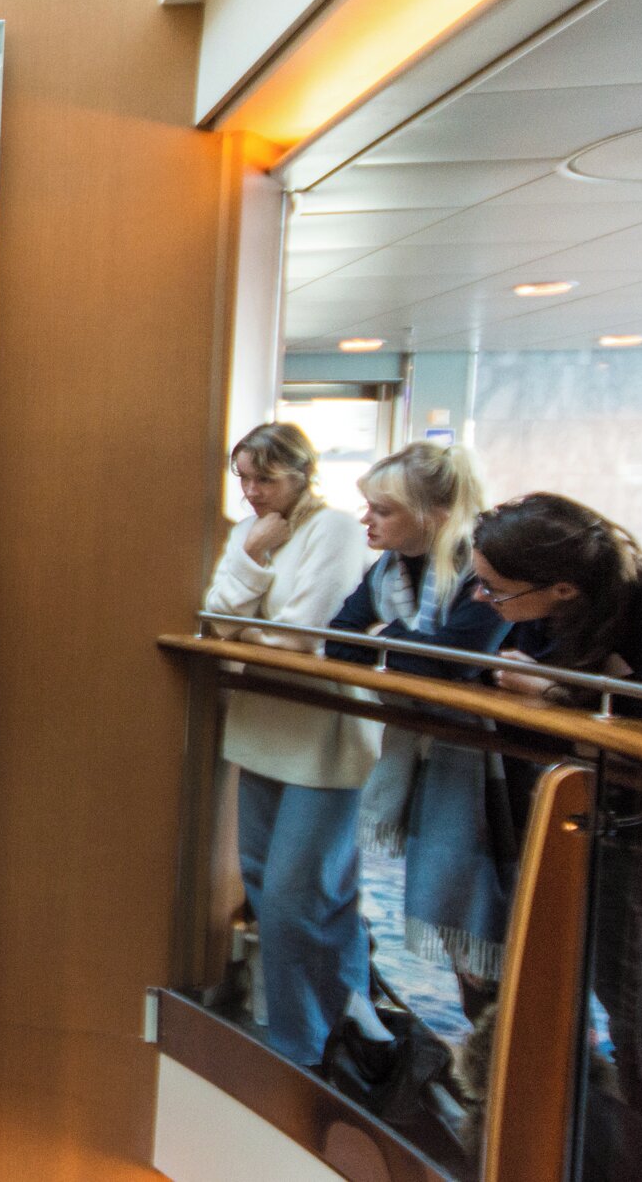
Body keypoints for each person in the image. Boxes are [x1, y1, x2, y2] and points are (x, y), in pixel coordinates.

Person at [472, 493, 642, 1171]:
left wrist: (545, 693)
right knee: (615, 997)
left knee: (633, 1014)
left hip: (630, 818)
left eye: (492, 586)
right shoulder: (565, 611)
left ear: (563, 586)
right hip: (609, 814)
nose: (480, 598)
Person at [204, 422, 381, 1066]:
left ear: (301, 474)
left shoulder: (332, 529)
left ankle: (308, 1046)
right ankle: (334, 1028)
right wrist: (252, 556)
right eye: (243, 477)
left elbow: (304, 635)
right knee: (266, 883)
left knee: (298, 895)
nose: (251, 491)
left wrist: (248, 633)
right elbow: (218, 618)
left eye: (265, 479)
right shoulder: (246, 533)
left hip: (321, 730)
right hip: (260, 725)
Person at [326, 442, 510, 1020]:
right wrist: (411, 652)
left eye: (383, 510)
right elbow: (340, 639)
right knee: (460, 922)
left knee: (493, 918)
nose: (367, 520)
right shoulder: (391, 568)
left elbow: (457, 657)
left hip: (499, 771)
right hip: (435, 751)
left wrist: (393, 649)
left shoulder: (483, 565)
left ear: (431, 515)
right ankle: (488, 1055)